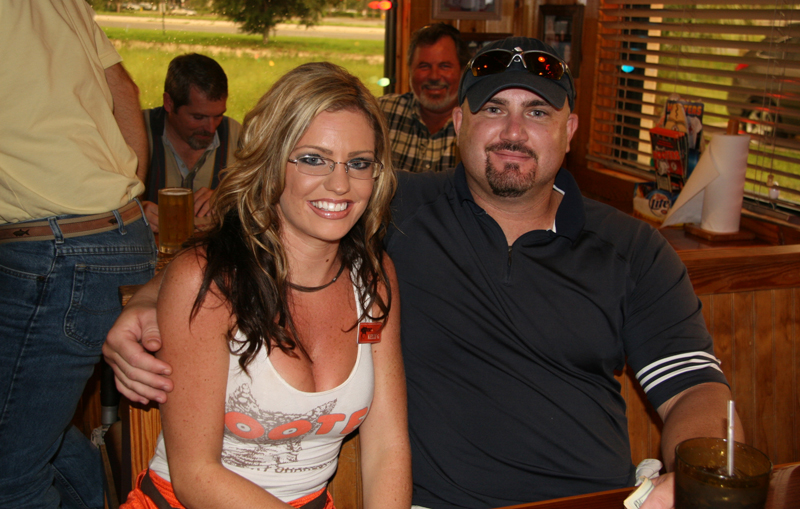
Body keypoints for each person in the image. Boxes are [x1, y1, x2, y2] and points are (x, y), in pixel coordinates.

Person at [104, 38, 741, 509]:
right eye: (493, 109)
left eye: (538, 113)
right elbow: (248, 243)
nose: (513, 131)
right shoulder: (390, 211)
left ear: (569, 130)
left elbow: (695, 392)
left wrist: (691, 478)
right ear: (459, 123)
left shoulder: (633, 247)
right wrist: (149, 301)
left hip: (591, 501)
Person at [118, 62, 411, 509]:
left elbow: (388, 446)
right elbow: (196, 474)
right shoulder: (210, 282)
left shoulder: (373, 275)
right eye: (313, 159)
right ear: (271, 161)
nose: (340, 184)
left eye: (359, 163)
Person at [0, 0, 157, 508]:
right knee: (29, 428)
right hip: (111, 236)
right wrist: (122, 198)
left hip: (53, 251)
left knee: (9, 476)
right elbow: (123, 91)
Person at [141, 53, 241, 232]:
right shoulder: (137, 132)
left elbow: (268, 196)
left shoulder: (237, 136)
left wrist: (228, 198)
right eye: (198, 117)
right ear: (169, 103)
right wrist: (133, 211)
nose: (211, 128)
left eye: (218, 115)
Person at [379, 23, 470, 172]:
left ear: (462, 71)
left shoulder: (476, 123)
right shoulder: (381, 113)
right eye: (424, 66)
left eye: (445, 66)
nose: (434, 76)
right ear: (409, 70)